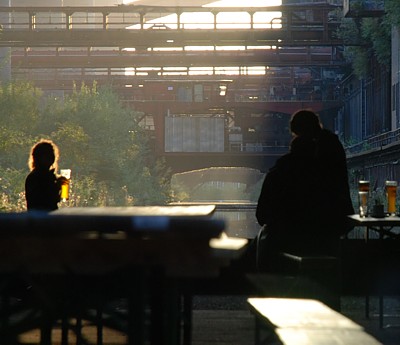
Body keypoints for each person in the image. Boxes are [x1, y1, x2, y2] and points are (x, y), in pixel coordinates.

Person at [255, 109, 354, 271]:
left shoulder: (283, 171)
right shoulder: (330, 145)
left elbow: (262, 214)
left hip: (297, 231)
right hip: (327, 221)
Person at [25, 139, 66, 211]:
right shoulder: (36, 177)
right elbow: (45, 201)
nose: (50, 158)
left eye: (51, 154)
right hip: (41, 219)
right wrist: (57, 186)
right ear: (38, 158)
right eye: (47, 155)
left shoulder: (48, 176)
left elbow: (55, 199)